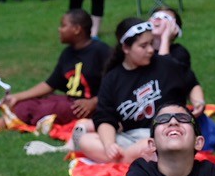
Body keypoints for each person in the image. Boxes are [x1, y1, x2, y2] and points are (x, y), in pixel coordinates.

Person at [80, 17, 201, 164]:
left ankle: (125, 159)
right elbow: (105, 117)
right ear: (126, 48)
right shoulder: (112, 78)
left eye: (151, 44)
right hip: (131, 138)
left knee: (148, 146)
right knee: (86, 140)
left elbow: (190, 81)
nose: (150, 50)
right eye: (143, 46)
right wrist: (109, 145)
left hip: (164, 133)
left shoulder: (165, 65)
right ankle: (129, 158)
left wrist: (198, 101)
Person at [1, 9, 110, 130]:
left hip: (90, 107)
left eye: (63, 26)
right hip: (70, 102)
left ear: (77, 29)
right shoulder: (67, 53)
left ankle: (24, 120)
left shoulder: (102, 51)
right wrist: (17, 97)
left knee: (54, 108)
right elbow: (51, 84)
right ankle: (25, 118)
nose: (59, 29)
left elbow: (116, 84)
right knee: (25, 105)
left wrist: (94, 102)